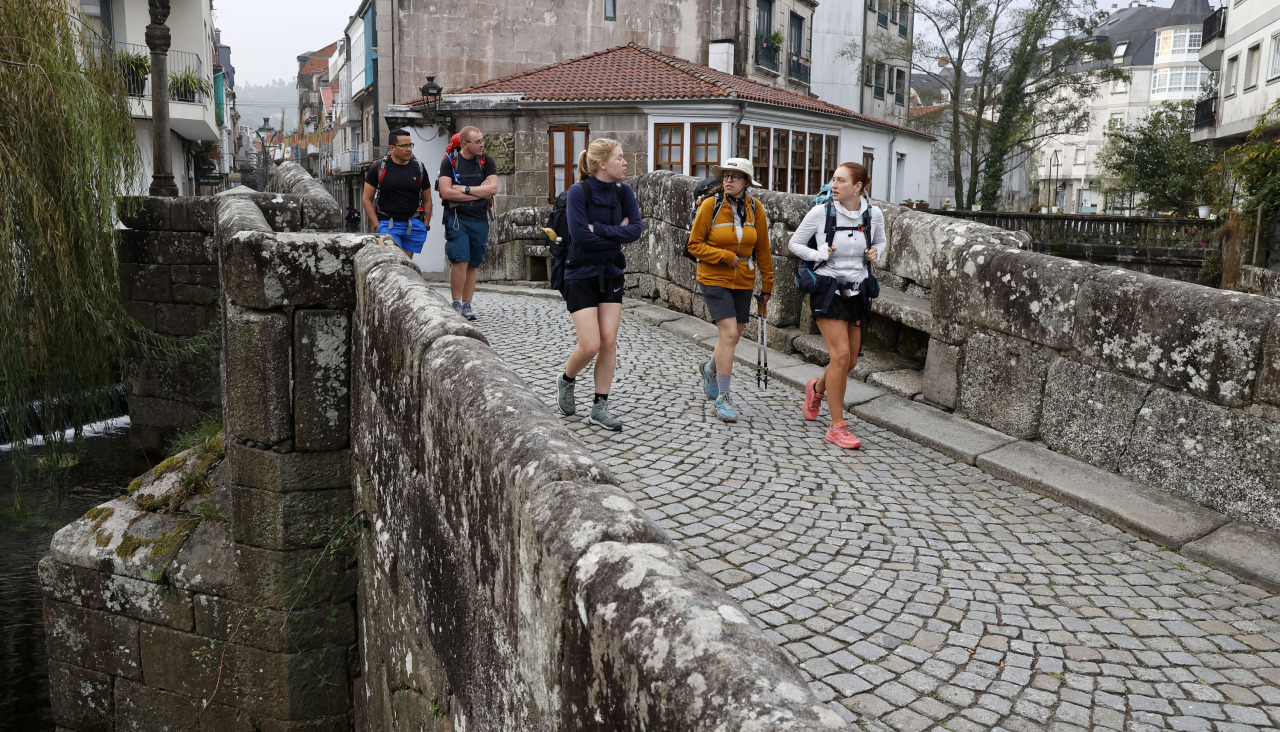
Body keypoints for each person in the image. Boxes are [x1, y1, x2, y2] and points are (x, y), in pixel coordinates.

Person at [787, 162, 885, 449]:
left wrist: (876, 251)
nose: (834, 186)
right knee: (840, 355)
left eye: (840, 181)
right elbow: (795, 243)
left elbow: (881, 241)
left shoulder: (873, 214)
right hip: (827, 288)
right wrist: (819, 253)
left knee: (850, 361)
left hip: (858, 290)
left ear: (858, 186)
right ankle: (837, 426)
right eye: (833, 180)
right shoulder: (821, 212)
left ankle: (816, 389)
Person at [554, 138, 642, 431]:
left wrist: (604, 230)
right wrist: (617, 231)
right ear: (602, 163)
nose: (625, 162)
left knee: (608, 342)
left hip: (612, 272)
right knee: (590, 344)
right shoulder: (578, 192)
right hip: (579, 274)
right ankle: (566, 379)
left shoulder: (624, 191)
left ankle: (599, 407)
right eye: (620, 157)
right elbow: (580, 236)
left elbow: (636, 230)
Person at [685, 158, 773, 422]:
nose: (729, 180)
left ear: (747, 182)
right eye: (726, 176)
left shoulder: (756, 208)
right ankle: (724, 397)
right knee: (730, 333)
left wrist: (767, 285)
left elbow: (763, 250)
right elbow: (693, 245)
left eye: (736, 176)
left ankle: (709, 369)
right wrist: (723, 256)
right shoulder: (710, 206)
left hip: (744, 281)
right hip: (713, 278)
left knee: (732, 338)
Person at [438, 126, 498, 321]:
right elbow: (446, 192)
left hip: (480, 218)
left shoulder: (486, 161)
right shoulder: (450, 162)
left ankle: (467, 304)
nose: (482, 144)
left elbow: (493, 189)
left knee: (473, 262)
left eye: (482, 140)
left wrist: (463, 189)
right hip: (456, 218)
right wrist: (477, 191)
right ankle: (455, 303)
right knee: (460, 259)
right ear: (465, 144)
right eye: (477, 141)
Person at [362, 129, 432, 258]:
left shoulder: (419, 168)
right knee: (392, 260)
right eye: (404, 146)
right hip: (388, 224)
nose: (409, 149)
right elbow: (367, 199)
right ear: (392, 148)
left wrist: (425, 224)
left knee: (407, 263)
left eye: (410, 145)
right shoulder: (378, 168)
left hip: (413, 224)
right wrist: (377, 225)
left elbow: (427, 199)